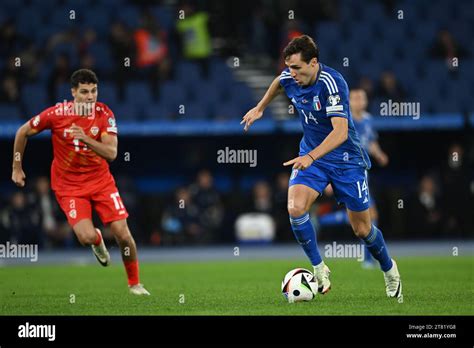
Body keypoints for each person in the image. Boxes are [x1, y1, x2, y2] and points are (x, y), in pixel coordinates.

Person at [241, 35, 402, 299]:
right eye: (289, 67)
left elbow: (339, 133)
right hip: (312, 156)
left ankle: (389, 268)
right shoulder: (290, 77)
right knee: (295, 208)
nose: (291, 74)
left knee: (362, 229)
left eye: (297, 68)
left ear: (314, 62)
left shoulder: (333, 82)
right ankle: (319, 267)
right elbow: (278, 83)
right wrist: (260, 107)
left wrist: (312, 157)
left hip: (346, 161)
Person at [11, 69, 150, 295]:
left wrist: (85, 138)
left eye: (94, 91)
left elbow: (112, 153)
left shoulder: (104, 114)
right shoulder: (57, 114)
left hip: (100, 181)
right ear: (73, 92)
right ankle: (97, 242)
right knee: (86, 237)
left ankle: (134, 284)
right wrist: (17, 167)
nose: (90, 96)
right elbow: (22, 131)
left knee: (123, 234)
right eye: (84, 92)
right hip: (69, 186)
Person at [350, 88, 389, 268]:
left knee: (366, 215)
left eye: (361, 98)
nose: (359, 101)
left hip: (362, 172)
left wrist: (379, 154)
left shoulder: (368, 120)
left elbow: (371, 142)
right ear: (349, 101)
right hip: (349, 172)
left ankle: (367, 258)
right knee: (368, 215)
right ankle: (367, 259)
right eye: (355, 98)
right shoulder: (345, 120)